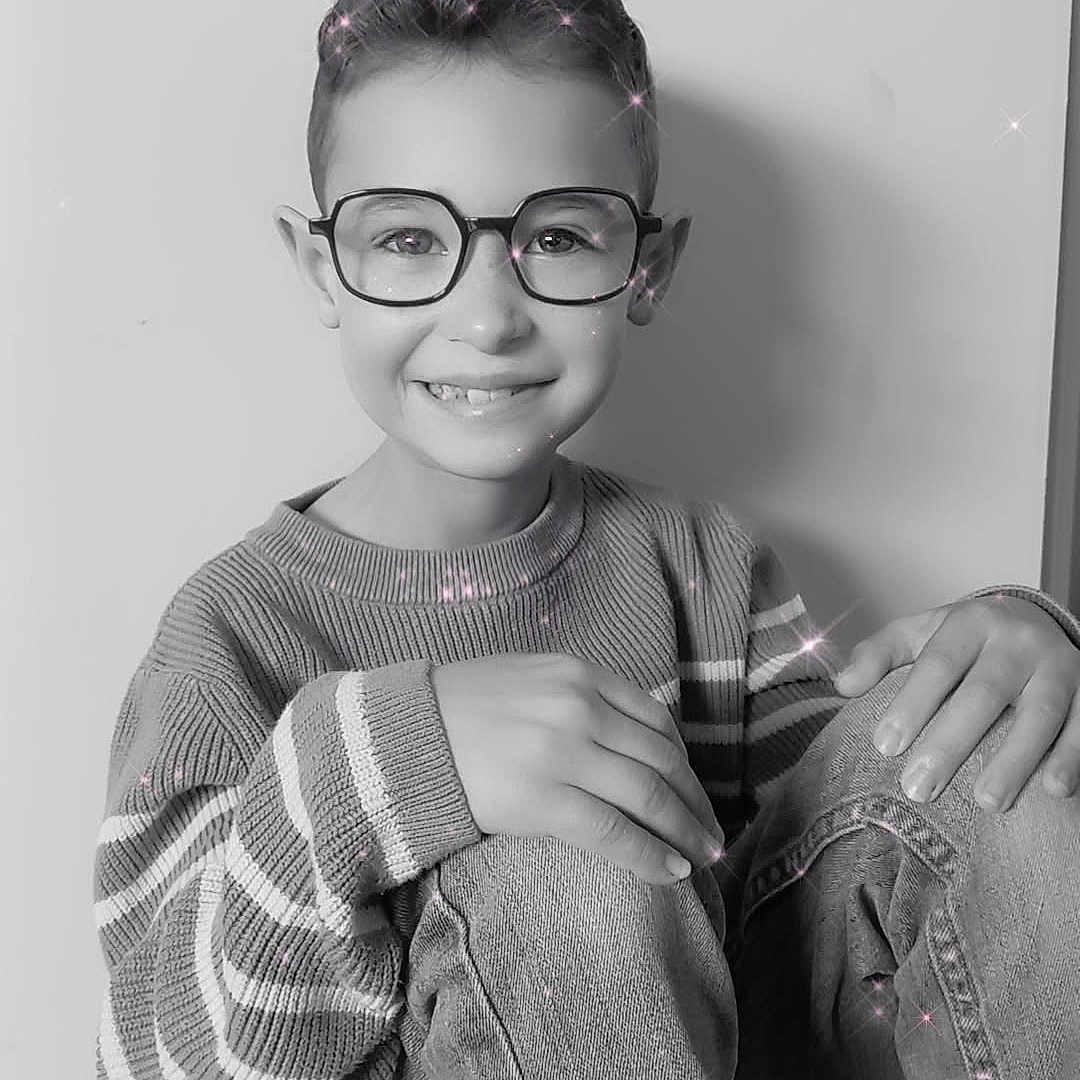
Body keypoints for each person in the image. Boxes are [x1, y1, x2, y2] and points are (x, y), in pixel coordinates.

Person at [92, 2, 1080, 1077]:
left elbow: (856, 861)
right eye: (408, 239)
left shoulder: (704, 567)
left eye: (556, 238)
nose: (488, 317)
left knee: (999, 747)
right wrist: (374, 770)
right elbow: (154, 1057)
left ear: (645, 270)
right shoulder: (229, 637)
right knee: (568, 847)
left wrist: (1008, 661)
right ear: (322, 266)